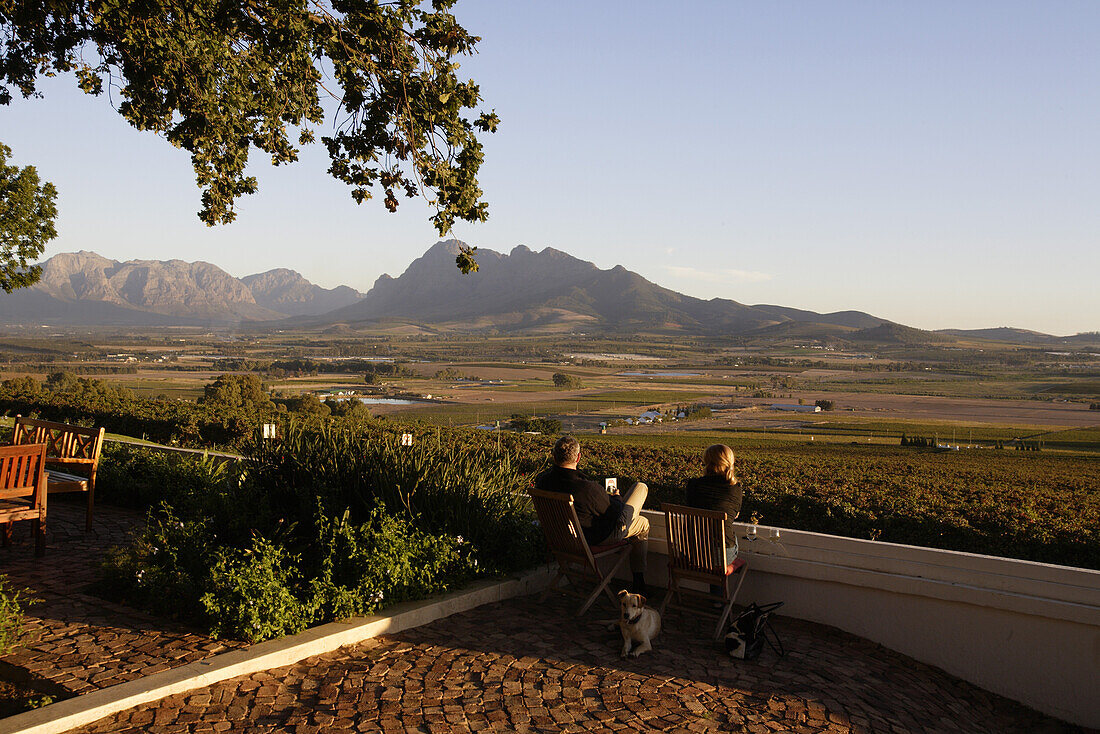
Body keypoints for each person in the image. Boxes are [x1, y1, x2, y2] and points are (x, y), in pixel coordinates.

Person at [534, 435, 650, 594]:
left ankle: (639, 583)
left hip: (561, 540)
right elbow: (614, 512)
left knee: (641, 520)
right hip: (595, 539)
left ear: (553, 456)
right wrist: (616, 497)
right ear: (578, 457)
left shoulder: (542, 481)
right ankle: (639, 582)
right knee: (641, 494)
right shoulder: (586, 489)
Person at [685, 444, 743, 563]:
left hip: (692, 553)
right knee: (732, 537)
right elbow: (734, 515)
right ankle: (717, 581)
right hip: (719, 557)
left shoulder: (693, 485)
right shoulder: (735, 489)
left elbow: (690, 506)